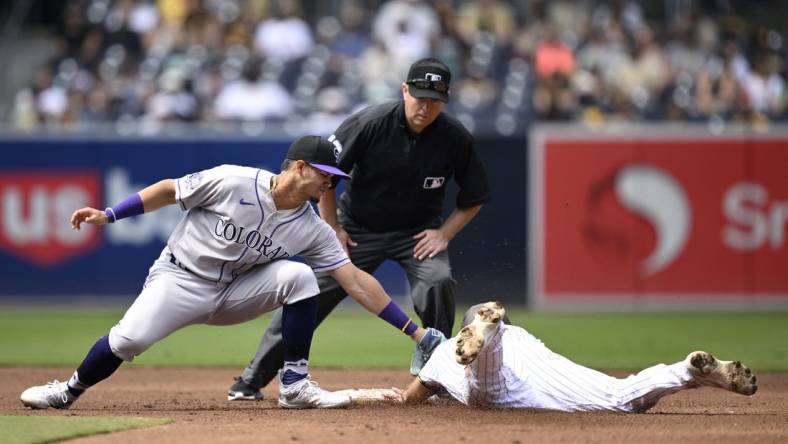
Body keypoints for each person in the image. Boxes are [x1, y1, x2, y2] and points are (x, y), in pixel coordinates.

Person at [19, 135, 440, 410]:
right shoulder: (233, 181)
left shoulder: (312, 227)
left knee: (301, 278)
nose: (330, 184)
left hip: (236, 291)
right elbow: (170, 190)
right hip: (180, 279)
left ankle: (294, 384)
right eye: (325, 175)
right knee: (128, 339)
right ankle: (67, 391)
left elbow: (356, 281)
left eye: (334, 177)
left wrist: (416, 333)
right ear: (298, 168)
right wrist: (110, 214)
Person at [228, 57, 490, 401]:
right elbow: (326, 175)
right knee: (310, 292)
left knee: (437, 282)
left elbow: (476, 195)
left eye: (435, 100)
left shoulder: (455, 137)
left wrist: (445, 234)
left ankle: (435, 378)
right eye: (420, 97)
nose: (425, 107)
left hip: (417, 234)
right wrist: (331, 226)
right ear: (405, 90)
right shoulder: (370, 123)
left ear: (446, 100)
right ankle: (251, 380)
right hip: (357, 230)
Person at [377, 302, 758, 412]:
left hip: (490, 385)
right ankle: (683, 370)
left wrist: (394, 397)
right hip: (532, 369)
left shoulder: (446, 352)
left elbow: (411, 398)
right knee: (619, 395)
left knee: (483, 385)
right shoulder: (522, 334)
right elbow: (551, 366)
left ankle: (487, 333)